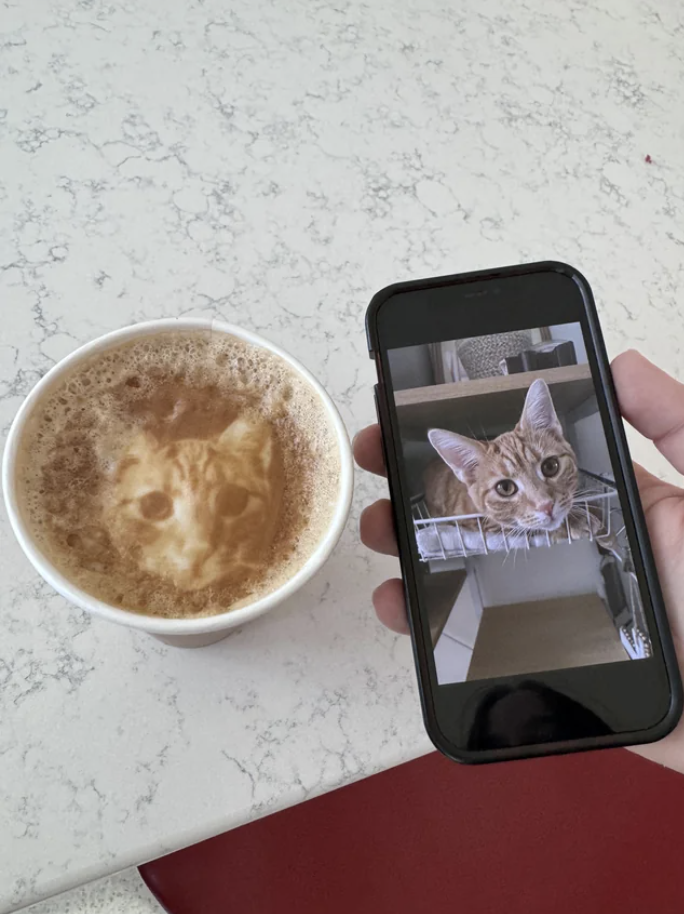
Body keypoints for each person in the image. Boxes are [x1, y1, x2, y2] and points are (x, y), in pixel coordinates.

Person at [354, 350, 684, 772]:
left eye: (550, 466)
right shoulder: (469, 492)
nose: (544, 503)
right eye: (508, 488)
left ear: (558, 437)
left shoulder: (542, 489)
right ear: (467, 473)